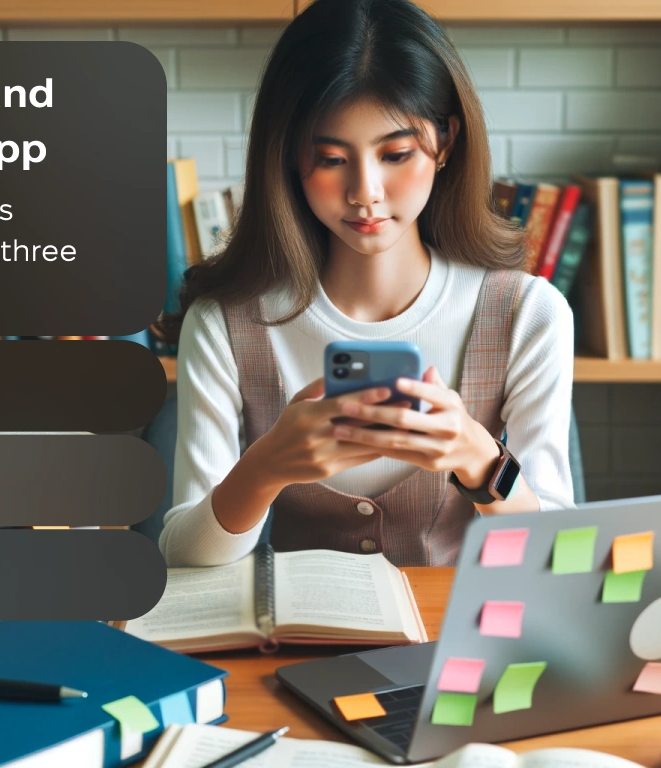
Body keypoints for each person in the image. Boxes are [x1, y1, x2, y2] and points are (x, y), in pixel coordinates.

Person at [152, 0, 574, 568]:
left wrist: (479, 458)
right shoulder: (226, 323)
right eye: (330, 159)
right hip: (291, 652)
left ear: (446, 141)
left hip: (456, 646)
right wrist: (267, 465)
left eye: (396, 153)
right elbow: (181, 557)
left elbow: (559, 557)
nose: (365, 191)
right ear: (287, 160)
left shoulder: (527, 313)